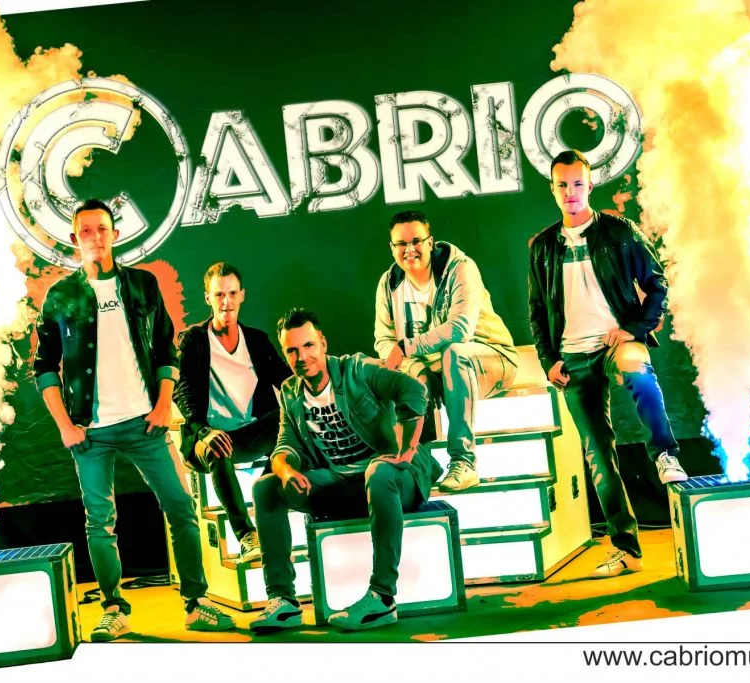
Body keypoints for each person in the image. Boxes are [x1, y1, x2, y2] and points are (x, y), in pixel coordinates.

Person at [33, 198, 235, 640]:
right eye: (86, 231)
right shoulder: (61, 296)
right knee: (100, 523)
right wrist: (65, 425)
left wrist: (163, 405)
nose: (95, 238)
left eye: (102, 229)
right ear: (74, 239)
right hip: (91, 432)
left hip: (147, 423)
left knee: (181, 508)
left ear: (115, 235)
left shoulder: (143, 284)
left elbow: (165, 349)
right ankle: (113, 608)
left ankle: (196, 603)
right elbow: (44, 366)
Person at [527, 149, 689, 579]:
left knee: (638, 370)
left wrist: (635, 328)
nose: (570, 192)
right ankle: (627, 550)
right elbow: (536, 311)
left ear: (590, 185)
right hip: (572, 360)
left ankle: (665, 455)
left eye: (577, 184)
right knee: (599, 458)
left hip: (614, 345)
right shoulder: (543, 247)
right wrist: (548, 360)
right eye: (562, 185)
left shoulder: (619, 232)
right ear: (552, 189)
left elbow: (657, 284)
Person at [249, 309, 443, 632]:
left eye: (308, 346)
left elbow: (413, 390)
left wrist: (408, 449)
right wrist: (286, 471)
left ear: (323, 344)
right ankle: (283, 601)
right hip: (341, 481)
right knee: (266, 488)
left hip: (393, 477)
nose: (302, 357)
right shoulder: (290, 392)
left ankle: (382, 598)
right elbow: (285, 446)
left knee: (378, 473)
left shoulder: (357, 370)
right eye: (292, 351)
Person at [374, 210, 519, 492]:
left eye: (416, 241)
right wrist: (413, 366)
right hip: (437, 370)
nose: (409, 249)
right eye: (401, 244)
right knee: (399, 374)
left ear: (430, 242)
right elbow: (383, 340)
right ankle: (420, 465)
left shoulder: (461, 268)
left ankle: (464, 462)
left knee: (455, 353)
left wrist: (406, 348)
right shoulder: (389, 283)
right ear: (392, 248)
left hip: (491, 359)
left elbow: (459, 329)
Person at [174, 262, 291, 561]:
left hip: (250, 433)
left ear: (242, 296)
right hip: (209, 437)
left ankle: (265, 503)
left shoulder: (257, 340)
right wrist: (203, 431)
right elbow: (182, 389)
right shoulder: (194, 340)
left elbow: (287, 381)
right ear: (208, 298)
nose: (226, 301)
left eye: (232, 294)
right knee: (218, 447)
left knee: (289, 421)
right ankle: (247, 536)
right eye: (219, 295)